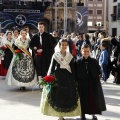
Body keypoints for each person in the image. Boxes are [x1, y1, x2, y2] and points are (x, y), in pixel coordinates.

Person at [40, 39, 81, 120]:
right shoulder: (55, 55)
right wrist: (49, 78)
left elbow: (72, 69)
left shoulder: (70, 56)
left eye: (66, 45)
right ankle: (60, 116)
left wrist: (75, 79)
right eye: (62, 45)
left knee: (66, 95)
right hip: (58, 77)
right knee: (58, 96)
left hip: (68, 77)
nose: (64, 46)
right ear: (59, 45)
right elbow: (52, 68)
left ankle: (64, 113)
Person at [75, 44, 106, 120]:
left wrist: (99, 76)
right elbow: (75, 73)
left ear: (90, 51)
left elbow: (99, 71)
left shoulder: (94, 61)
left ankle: (93, 114)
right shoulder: (77, 62)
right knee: (82, 99)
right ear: (81, 51)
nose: (86, 53)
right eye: (84, 51)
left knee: (92, 99)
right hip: (82, 84)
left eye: (87, 51)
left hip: (92, 83)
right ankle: (82, 114)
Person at [29, 21, 54, 87]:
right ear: (38, 28)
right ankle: (40, 83)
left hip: (46, 56)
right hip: (37, 56)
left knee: (45, 69)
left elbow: (51, 46)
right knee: (38, 69)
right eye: (39, 27)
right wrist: (35, 49)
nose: (41, 28)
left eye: (42, 27)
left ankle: (45, 83)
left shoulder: (48, 36)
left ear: (44, 27)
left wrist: (43, 50)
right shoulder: (35, 36)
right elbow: (31, 45)